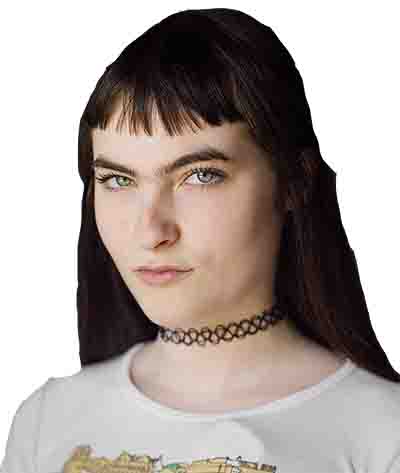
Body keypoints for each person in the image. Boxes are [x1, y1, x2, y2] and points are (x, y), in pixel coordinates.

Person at [1, 8, 399, 473]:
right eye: (118, 180)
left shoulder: (381, 432)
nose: (151, 232)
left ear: (294, 182)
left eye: (201, 175)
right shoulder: (48, 421)